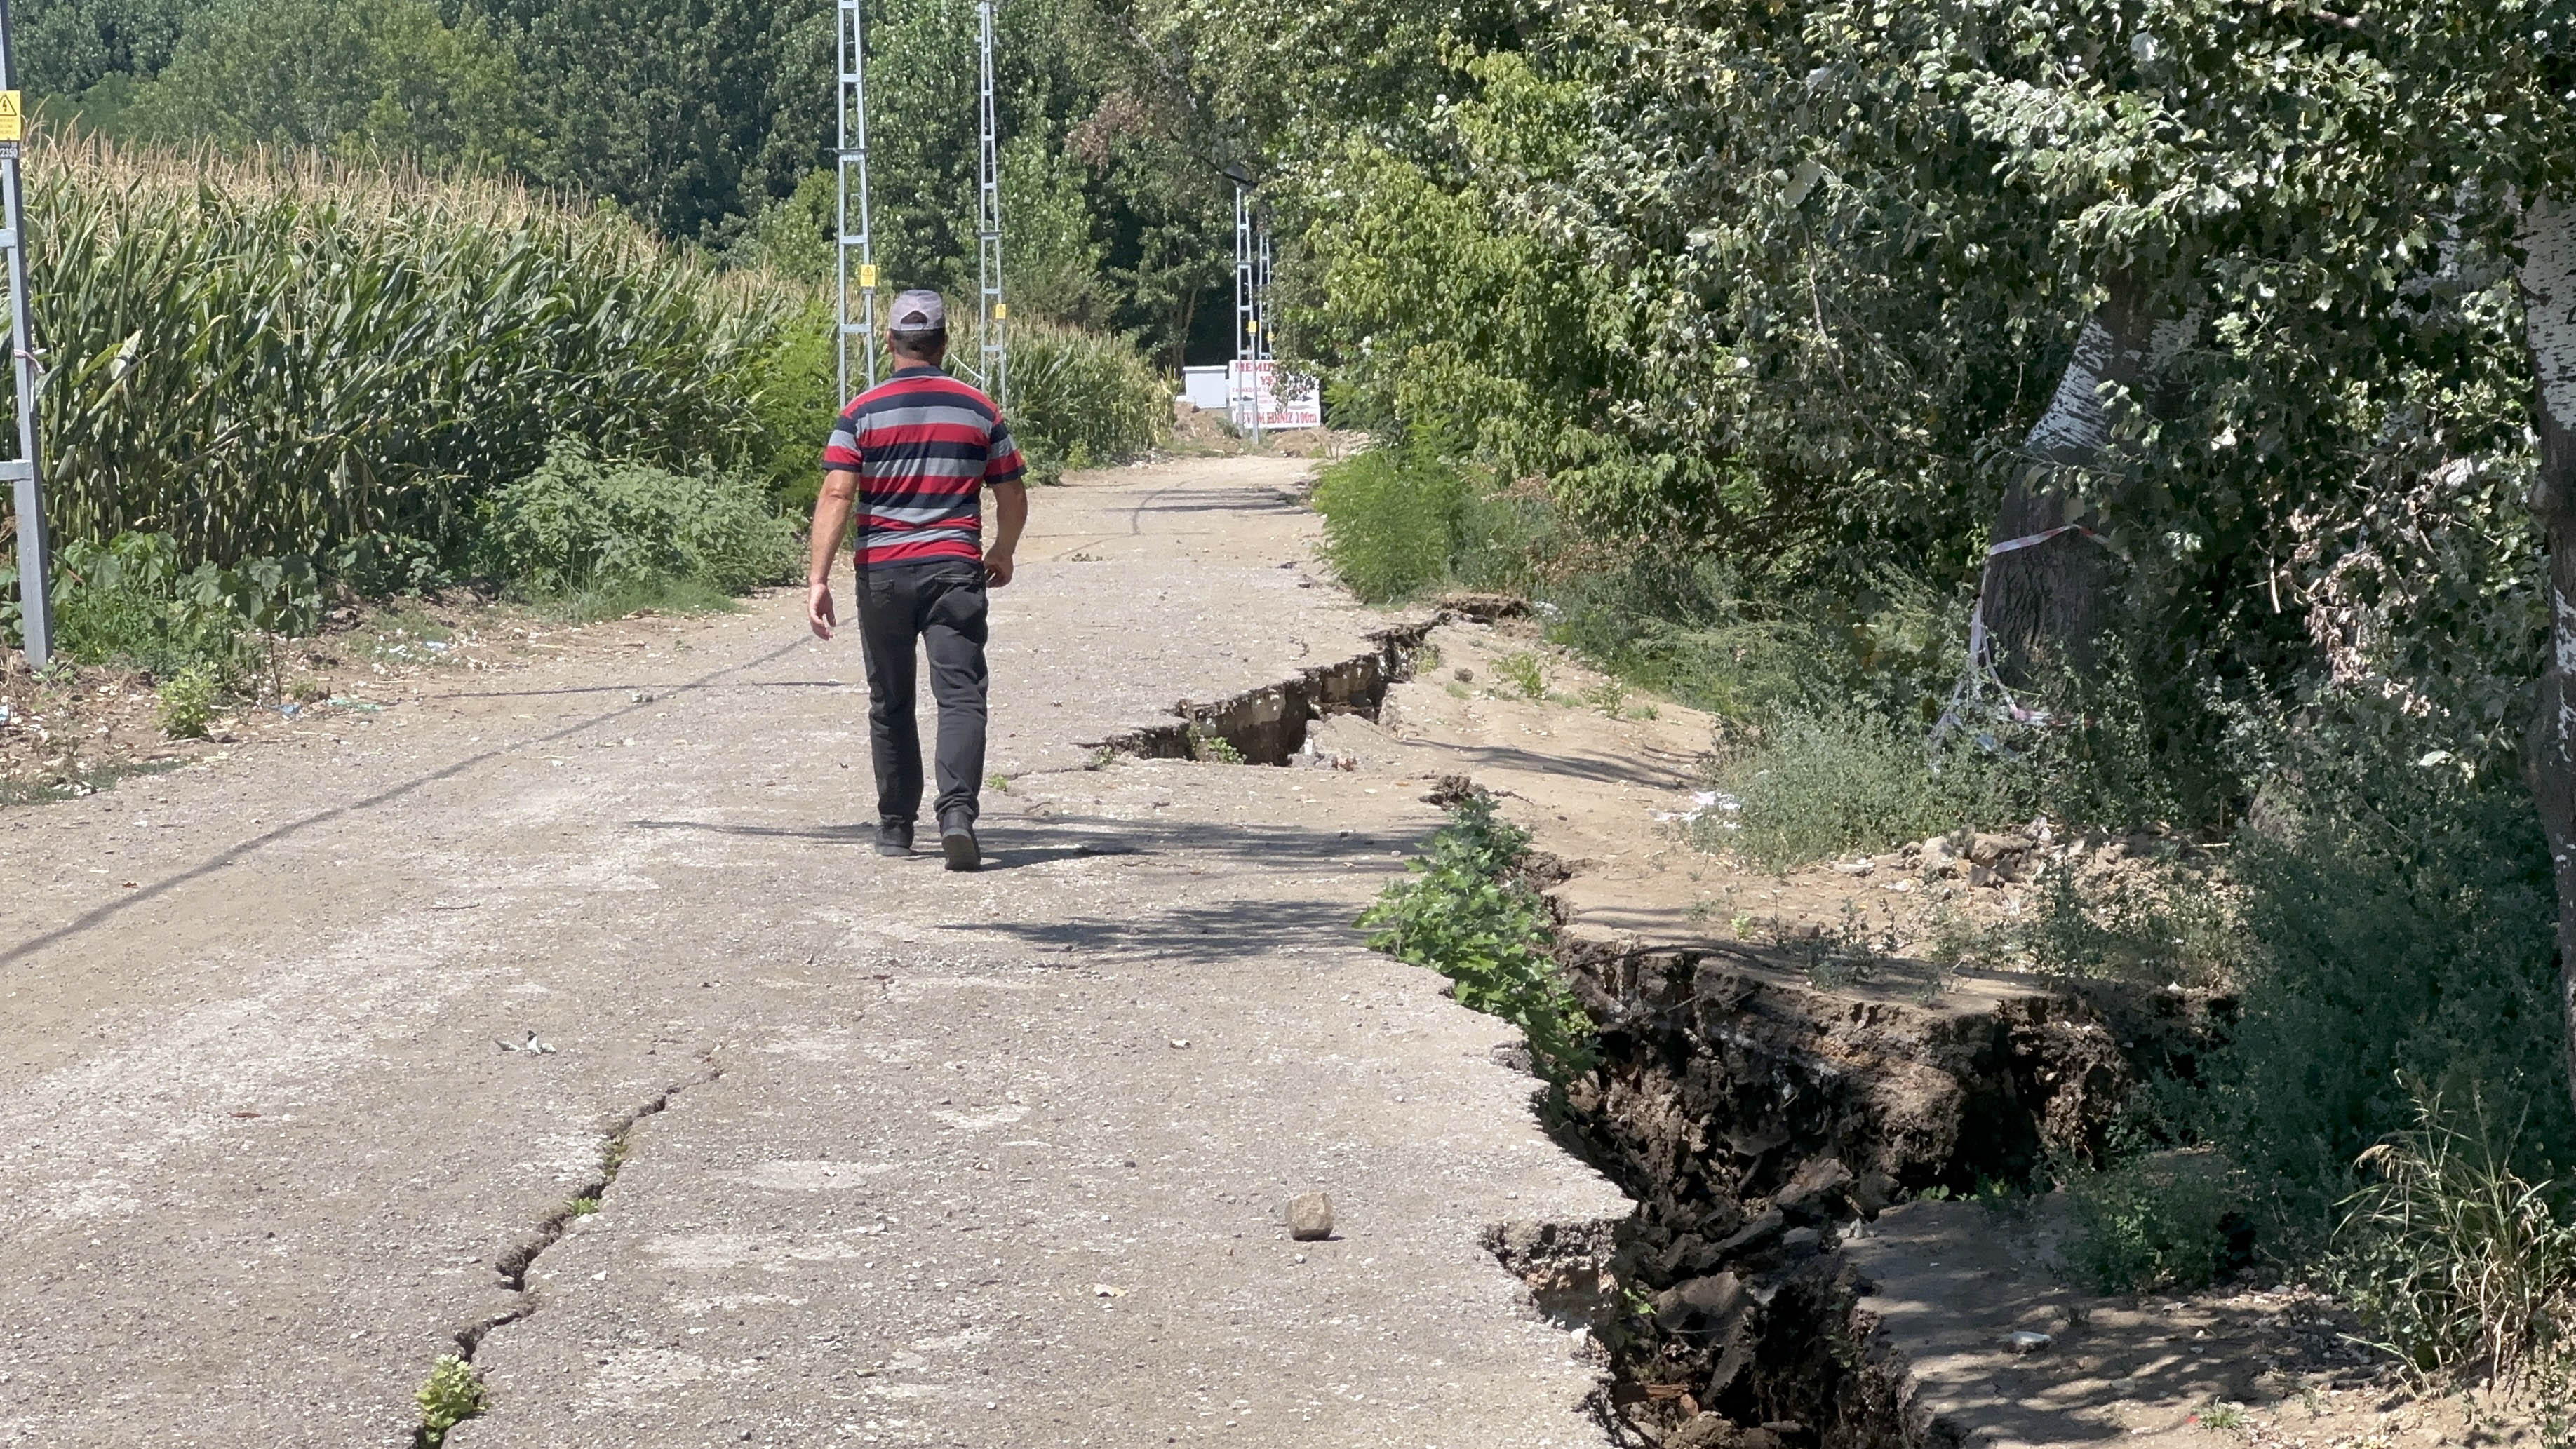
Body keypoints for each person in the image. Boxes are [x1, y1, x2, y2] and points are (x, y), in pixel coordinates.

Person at [806, 290, 1028, 872]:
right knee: (960, 695)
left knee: (891, 699)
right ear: (945, 343)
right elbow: (1011, 492)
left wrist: (818, 577)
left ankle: (896, 826)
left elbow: (836, 492)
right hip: (954, 569)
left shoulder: (860, 412)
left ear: (889, 343)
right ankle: (956, 815)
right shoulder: (980, 410)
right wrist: (1002, 550)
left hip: (882, 573)